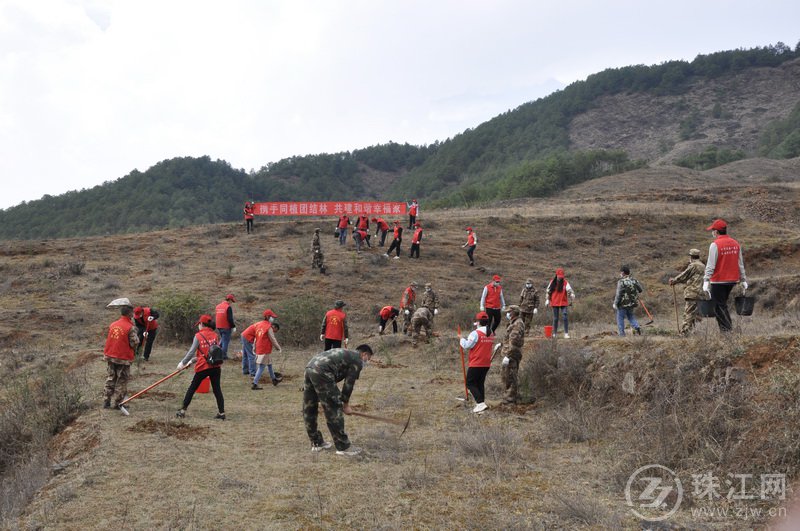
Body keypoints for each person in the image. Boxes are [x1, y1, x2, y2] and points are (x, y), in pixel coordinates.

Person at [303, 344, 374, 456]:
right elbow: (348, 384)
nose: (367, 362)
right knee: (334, 407)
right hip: (323, 371)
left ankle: (316, 442)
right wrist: (345, 405)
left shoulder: (348, 354)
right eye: (368, 358)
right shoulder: (357, 360)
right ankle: (343, 447)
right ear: (364, 354)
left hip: (310, 367)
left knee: (309, 406)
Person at [176, 315, 225, 420]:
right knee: (217, 389)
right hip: (215, 366)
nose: (198, 326)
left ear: (202, 324)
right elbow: (209, 352)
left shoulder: (198, 336)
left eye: (199, 324)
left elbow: (191, 352)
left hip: (203, 367)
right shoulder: (215, 335)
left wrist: (182, 363)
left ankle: (182, 410)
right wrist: (192, 360)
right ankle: (222, 413)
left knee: (192, 388)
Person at [703, 219, 747, 333]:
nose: (712, 233)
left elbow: (710, 265)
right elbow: (740, 264)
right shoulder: (735, 243)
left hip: (718, 281)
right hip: (732, 280)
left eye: (712, 230)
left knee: (718, 306)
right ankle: (727, 331)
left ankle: (727, 331)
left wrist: (706, 280)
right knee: (722, 305)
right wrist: (743, 279)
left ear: (716, 232)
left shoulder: (715, 245)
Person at [103, 299, 140, 410]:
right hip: (123, 357)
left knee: (111, 378)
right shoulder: (130, 327)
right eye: (132, 313)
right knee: (122, 380)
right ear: (129, 314)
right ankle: (118, 403)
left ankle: (106, 401)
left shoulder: (113, 324)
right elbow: (135, 342)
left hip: (110, 355)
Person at [458, 312, 494, 413]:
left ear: (478, 322)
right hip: (486, 363)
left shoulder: (475, 333)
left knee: (469, 383)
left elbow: (467, 345)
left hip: (476, 362)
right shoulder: (491, 332)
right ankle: (481, 406)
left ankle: (480, 403)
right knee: (479, 383)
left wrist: (461, 339)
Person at [670, 249, 707, 335]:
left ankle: (684, 333)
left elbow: (684, 275)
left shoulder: (693, 265)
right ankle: (693, 332)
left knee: (688, 313)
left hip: (692, 293)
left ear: (691, 256)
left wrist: (674, 281)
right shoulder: (703, 266)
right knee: (695, 314)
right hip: (701, 293)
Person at [500, 305, 526, 404]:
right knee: (507, 375)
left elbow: (514, 341)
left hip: (512, 354)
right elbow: (509, 338)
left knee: (510, 376)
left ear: (514, 312)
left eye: (509, 312)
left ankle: (510, 399)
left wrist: (508, 355)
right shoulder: (514, 322)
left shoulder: (517, 324)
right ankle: (509, 396)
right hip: (509, 352)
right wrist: (502, 344)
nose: (507, 314)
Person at [252, 317, 283, 389]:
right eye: (276, 330)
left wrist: (254, 347)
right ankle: (254, 383)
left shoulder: (259, 325)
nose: (275, 331)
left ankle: (274, 379)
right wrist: (278, 348)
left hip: (260, 347)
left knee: (269, 364)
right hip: (264, 349)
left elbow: (256, 337)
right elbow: (272, 338)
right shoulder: (269, 327)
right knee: (262, 366)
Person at [614, 265, 643, 336]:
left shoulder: (621, 282)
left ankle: (622, 334)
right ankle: (637, 327)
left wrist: (615, 303)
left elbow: (619, 294)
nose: (620, 274)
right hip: (632, 303)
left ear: (623, 273)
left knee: (620, 318)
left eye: (620, 272)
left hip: (622, 304)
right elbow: (640, 290)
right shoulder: (634, 280)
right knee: (631, 316)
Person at [546, 268, 575, 339]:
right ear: (556, 275)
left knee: (565, 316)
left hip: (563, 302)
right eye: (559, 277)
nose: (560, 278)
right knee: (555, 318)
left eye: (561, 277)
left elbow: (569, 290)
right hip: (554, 302)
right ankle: (554, 333)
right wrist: (547, 300)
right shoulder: (552, 282)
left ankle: (566, 333)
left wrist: (571, 294)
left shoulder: (565, 283)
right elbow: (548, 291)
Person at [215, 294, 236, 360]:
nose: (231, 303)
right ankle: (223, 356)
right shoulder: (228, 307)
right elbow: (230, 319)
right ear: (229, 300)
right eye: (232, 301)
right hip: (226, 327)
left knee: (223, 339)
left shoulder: (218, 306)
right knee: (225, 341)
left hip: (218, 326)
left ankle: (216, 352)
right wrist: (233, 326)